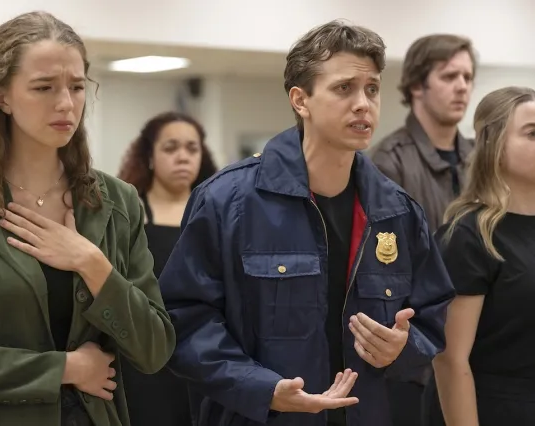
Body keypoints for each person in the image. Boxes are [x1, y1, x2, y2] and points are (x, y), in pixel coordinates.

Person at [158, 20, 455, 426]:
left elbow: (431, 313)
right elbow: (184, 320)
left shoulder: (398, 211)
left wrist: (403, 347)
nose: (363, 104)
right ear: (301, 101)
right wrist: (262, 389)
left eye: (371, 89)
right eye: (344, 88)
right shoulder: (227, 201)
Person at [0, 11, 175, 426]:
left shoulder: (118, 201)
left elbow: (154, 350)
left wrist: (92, 264)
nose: (66, 103)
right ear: (2, 97)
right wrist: (64, 369)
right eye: (43, 87)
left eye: (77, 87)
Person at [429, 86, 535, 426]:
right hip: (492, 408)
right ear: (495, 144)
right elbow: (450, 360)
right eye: (532, 134)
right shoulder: (469, 235)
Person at [117, 111, 217, 426]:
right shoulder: (127, 215)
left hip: (205, 355)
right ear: (149, 156)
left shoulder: (217, 212)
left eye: (192, 148)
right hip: (145, 361)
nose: (182, 157)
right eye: (170, 148)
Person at [370, 34, 476, 232]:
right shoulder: (389, 161)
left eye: (467, 78)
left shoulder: (480, 156)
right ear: (417, 86)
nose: (463, 87)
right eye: (449, 76)